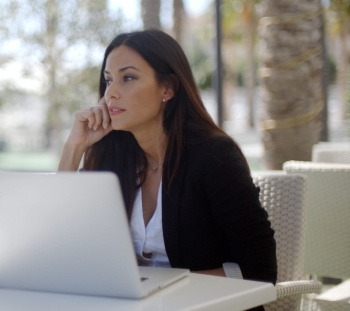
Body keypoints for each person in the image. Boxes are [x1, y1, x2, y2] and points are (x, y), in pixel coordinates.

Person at [58, 29, 277, 309]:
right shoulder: (111, 157)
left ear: (168, 88)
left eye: (128, 78)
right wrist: (74, 148)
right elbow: (63, 246)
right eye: (109, 80)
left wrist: (158, 293)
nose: (111, 93)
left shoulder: (213, 156)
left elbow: (261, 271)